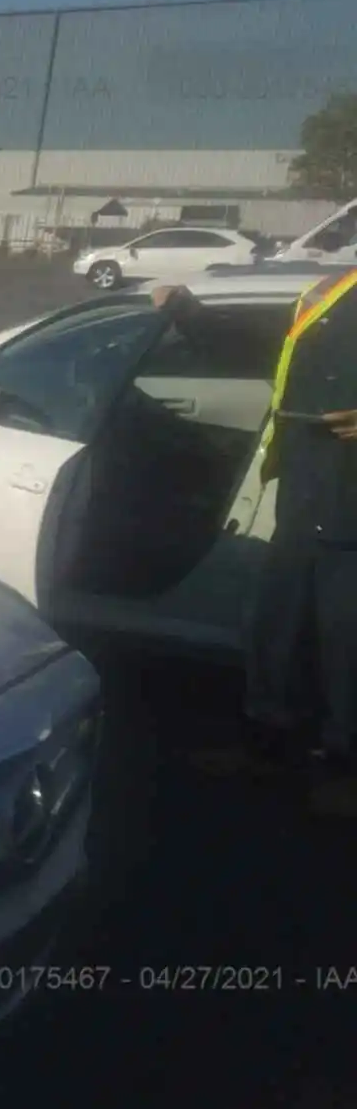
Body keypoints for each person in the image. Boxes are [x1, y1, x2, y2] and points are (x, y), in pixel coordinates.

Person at [204, 271, 357, 817]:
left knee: (346, 646)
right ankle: (265, 742)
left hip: (350, 509)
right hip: (304, 493)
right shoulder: (333, 288)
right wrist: (184, 313)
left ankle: (344, 767)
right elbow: (266, 346)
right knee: (276, 626)